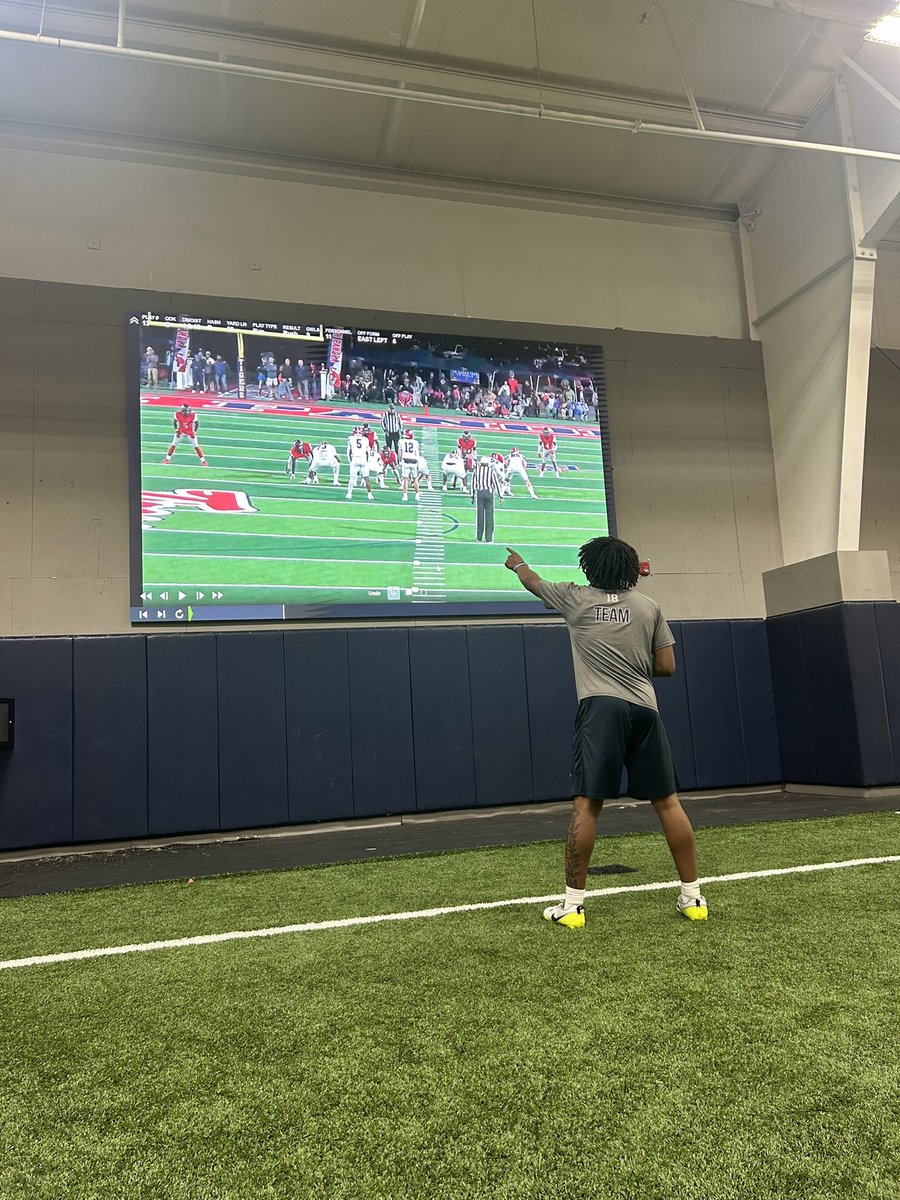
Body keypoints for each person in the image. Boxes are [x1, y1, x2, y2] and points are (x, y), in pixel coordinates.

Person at [504, 535, 708, 929]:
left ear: (589, 568)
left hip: (601, 709)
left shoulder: (574, 598)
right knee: (668, 803)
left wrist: (517, 563)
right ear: (632, 570)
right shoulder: (649, 608)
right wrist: (630, 659)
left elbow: (532, 581)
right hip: (645, 710)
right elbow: (666, 666)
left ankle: (573, 907)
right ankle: (693, 898)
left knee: (586, 806)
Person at [470, 455, 503, 542]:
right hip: (489, 493)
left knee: (480, 516)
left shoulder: (477, 470)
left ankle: (479, 537)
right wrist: (501, 496)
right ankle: (489, 538)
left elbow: (473, 483)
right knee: (489, 516)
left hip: (480, 493)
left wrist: (472, 495)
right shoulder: (491, 471)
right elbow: (496, 483)